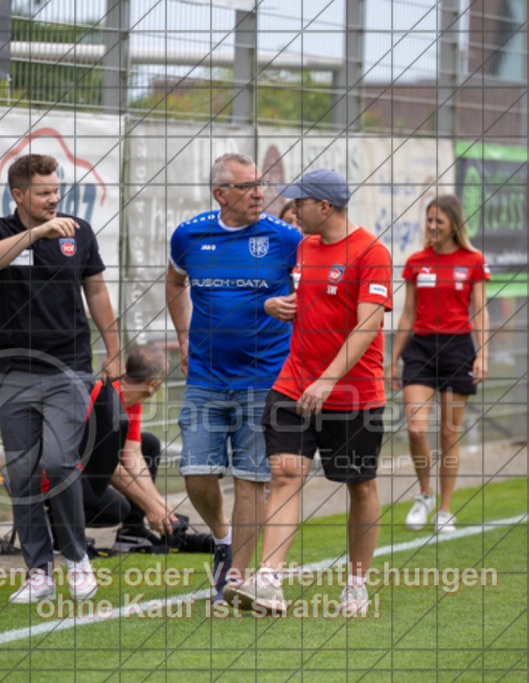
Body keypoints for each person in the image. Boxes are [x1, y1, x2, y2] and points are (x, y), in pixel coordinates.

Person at [229, 168, 392, 616]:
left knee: (359, 485)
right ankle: (268, 582)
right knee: (284, 475)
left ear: (325, 206)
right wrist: (272, 305)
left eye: (300, 203)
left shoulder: (372, 253)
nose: (293, 210)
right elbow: (308, 302)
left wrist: (328, 379)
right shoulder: (304, 247)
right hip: (291, 385)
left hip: (353, 393)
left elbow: (367, 325)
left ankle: (356, 584)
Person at [0, 153, 122, 605]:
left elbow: (95, 289)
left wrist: (113, 349)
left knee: (58, 463)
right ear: (19, 195)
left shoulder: (78, 232)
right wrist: (36, 234)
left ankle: (76, 560)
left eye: (57, 189)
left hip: (69, 370)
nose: (54, 197)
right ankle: (38, 571)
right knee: (20, 474)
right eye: (43, 191)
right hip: (14, 374)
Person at [166, 153, 302, 601]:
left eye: (260, 185)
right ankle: (222, 537)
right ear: (220, 194)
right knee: (196, 474)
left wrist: (291, 308)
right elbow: (175, 283)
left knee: (250, 479)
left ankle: (238, 578)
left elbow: (312, 292)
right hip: (205, 375)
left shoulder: (285, 239)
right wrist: (184, 338)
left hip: (264, 378)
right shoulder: (189, 235)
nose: (259, 194)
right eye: (247, 187)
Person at [390, 194, 489, 534]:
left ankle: (445, 510)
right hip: (419, 349)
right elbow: (407, 312)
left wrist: (483, 353)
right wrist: (393, 359)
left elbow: (479, 311)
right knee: (416, 428)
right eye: (429, 220)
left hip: (458, 349)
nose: (432, 227)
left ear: (454, 225)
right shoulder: (417, 261)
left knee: (449, 433)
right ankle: (425, 494)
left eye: (439, 221)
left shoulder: (473, 260)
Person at [78, 344, 178, 538]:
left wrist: (158, 503)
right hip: (70, 473)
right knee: (116, 509)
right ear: (152, 384)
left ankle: (132, 530)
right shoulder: (104, 399)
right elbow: (107, 466)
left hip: (93, 468)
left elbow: (133, 454)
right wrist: (149, 505)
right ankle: (54, 525)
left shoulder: (134, 401)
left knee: (149, 443)